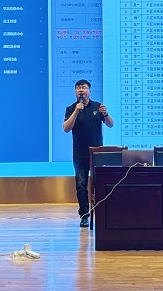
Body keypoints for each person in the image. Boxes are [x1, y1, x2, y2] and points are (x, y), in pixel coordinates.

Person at [63, 79, 114, 227]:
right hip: (80, 154)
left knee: (101, 184)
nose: (81, 90)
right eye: (78, 88)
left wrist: (106, 114)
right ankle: (84, 215)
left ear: (89, 91)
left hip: (98, 154)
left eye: (84, 87)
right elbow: (66, 128)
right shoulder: (71, 108)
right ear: (75, 92)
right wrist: (76, 111)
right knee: (81, 185)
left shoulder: (98, 106)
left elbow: (110, 124)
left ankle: (103, 213)